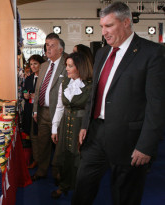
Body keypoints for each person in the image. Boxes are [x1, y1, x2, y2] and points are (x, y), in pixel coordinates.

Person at [72, 2, 165, 205]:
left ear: (126, 22)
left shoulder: (151, 53)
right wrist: (86, 125)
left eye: (109, 26)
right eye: (102, 26)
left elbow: (156, 105)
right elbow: (95, 93)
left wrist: (146, 145)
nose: (104, 32)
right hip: (96, 135)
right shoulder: (101, 54)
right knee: (82, 190)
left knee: (125, 196)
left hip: (129, 140)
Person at [50, 52, 92, 198]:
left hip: (81, 126)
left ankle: (81, 190)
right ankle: (64, 185)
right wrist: (54, 128)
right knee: (64, 157)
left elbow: (91, 111)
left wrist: (86, 128)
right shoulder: (65, 83)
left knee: (80, 158)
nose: (66, 69)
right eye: (66, 65)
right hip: (65, 124)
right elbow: (60, 107)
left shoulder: (90, 86)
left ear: (80, 67)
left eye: (70, 66)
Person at [31, 33, 67, 181]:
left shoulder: (66, 65)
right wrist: (34, 109)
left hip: (59, 113)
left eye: (52, 46)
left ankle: (58, 173)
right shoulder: (44, 65)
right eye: (47, 45)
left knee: (59, 145)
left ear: (61, 49)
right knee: (42, 143)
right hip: (42, 112)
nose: (48, 48)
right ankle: (41, 171)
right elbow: (38, 89)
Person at [22, 54, 45, 169]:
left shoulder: (45, 78)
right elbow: (24, 90)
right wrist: (25, 95)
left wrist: (38, 96)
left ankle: (41, 159)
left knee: (40, 136)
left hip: (41, 111)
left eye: (35, 64)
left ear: (41, 64)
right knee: (32, 135)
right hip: (29, 109)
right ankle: (36, 159)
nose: (33, 66)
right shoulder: (29, 78)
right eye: (31, 64)